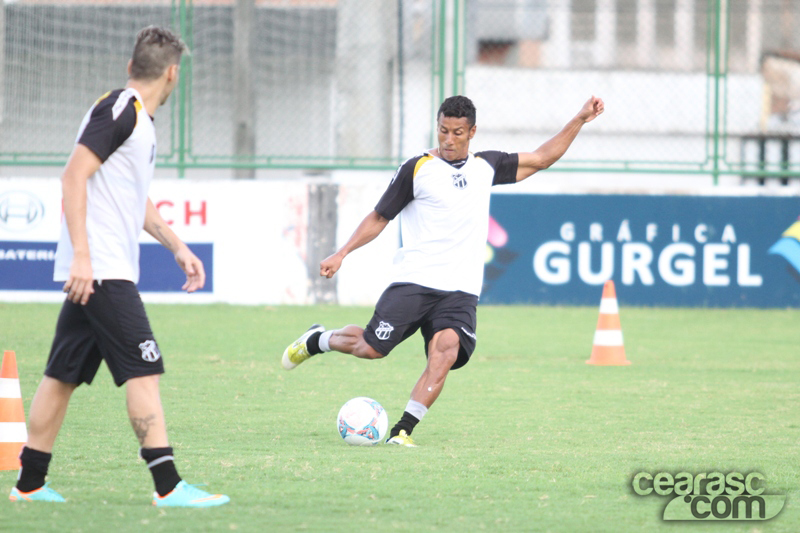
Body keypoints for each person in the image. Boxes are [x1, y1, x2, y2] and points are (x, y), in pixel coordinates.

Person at [283, 94, 604, 446]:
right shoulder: (416, 169)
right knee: (371, 348)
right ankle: (318, 340)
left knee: (446, 350)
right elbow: (379, 217)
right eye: (443, 131)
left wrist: (580, 118)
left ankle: (402, 431)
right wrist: (342, 253)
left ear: (472, 132)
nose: (448, 140)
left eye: (457, 133)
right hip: (414, 281)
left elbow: (542, 158)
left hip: (460, 290)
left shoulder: (487, 166)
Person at [9, 26, 229, 507]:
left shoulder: (138, 120)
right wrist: (83, 257)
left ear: (133, 66)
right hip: (102, 269)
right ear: (173, 74)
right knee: (144, 370)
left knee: (62, 376)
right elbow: (73, 175)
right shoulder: (120, 109)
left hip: (100, 268)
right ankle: (168, 486)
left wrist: (177, 245)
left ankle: (29, 484)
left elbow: (135, 199)